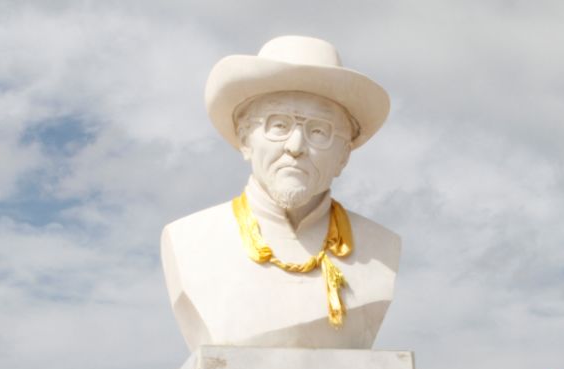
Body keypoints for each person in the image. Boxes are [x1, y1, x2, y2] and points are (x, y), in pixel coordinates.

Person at [161, 35, 400, 351]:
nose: (296, 147)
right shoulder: (189, 240)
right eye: (278, 125)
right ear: (245, 140)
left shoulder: (380, 249)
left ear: (344, 156)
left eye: (318, 131)